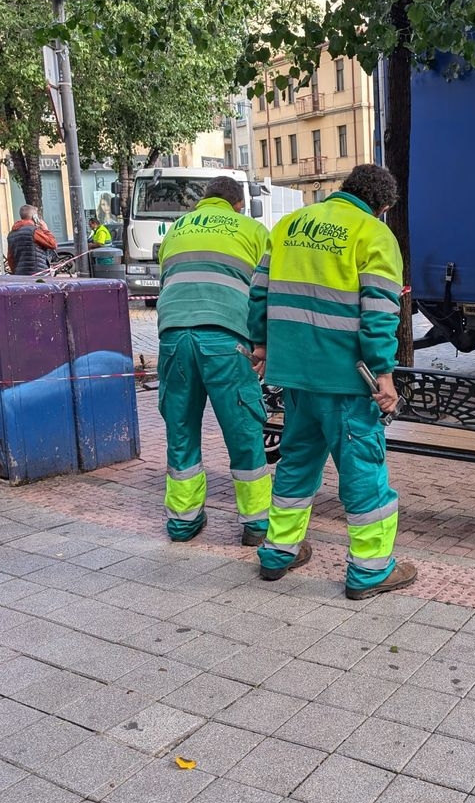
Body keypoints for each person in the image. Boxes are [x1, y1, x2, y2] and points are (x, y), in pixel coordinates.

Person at [250, 164, 416, 600]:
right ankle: (370, 570)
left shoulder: (288, 225)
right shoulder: (373, 234)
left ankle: (277, 552)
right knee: (363, 470)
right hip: (345, 380)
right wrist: (383, 373)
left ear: (345, 189)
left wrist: (262, 347)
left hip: (295, 376)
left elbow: (260, 291)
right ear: (381, 207)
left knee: (296, 463)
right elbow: (379, 314)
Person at [156, 175, 272, 544]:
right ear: (237, 204)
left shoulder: (176, 229)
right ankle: (256, 525)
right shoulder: (251, 229)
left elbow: (168, 281)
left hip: (173, 336)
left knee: (181, 427)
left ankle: (183, 521)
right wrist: (263, 344)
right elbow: (265, 291)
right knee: (243, 430)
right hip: (226, 338)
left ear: (204, 202)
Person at [6, 205, 57, 275]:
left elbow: (10, 258)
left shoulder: (11, 234)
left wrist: (15, 272)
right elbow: (53, 244)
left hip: (20, 274)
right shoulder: (34, 231)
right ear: (34, 217)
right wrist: (45, 229)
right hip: (38, 273)